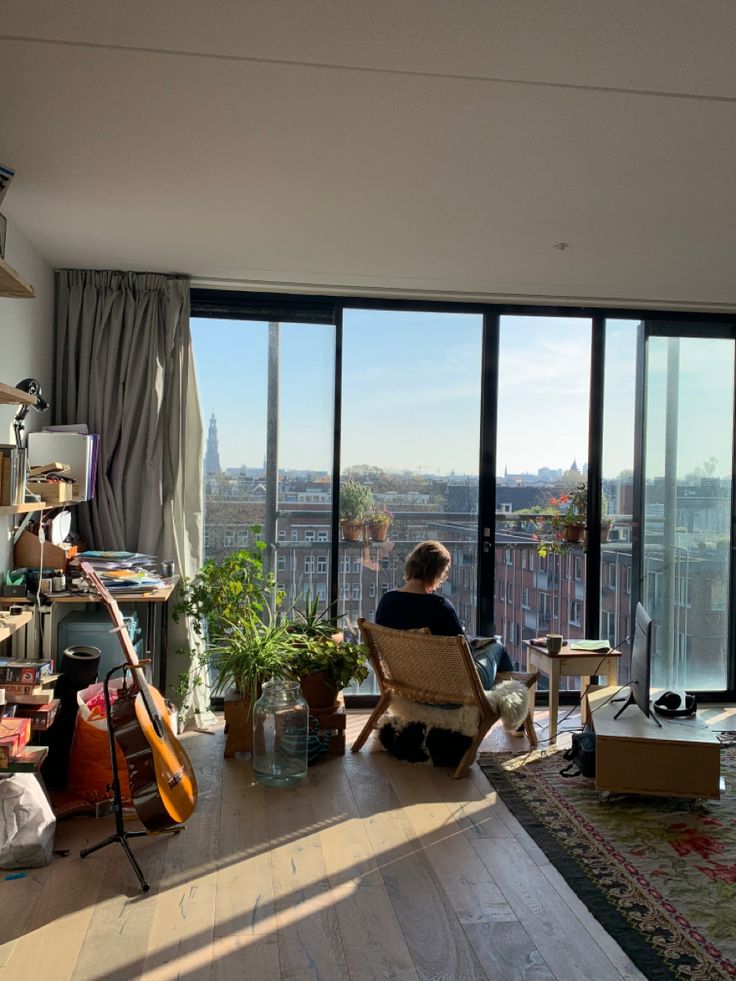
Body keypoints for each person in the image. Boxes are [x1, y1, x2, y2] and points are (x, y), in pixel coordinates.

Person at [375, 539, 514, 690]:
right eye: (444, 573)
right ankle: (512, 697)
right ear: (436, 573)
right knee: (497, 646)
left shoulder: (386, 600)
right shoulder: (440, 607)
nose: (444, 578)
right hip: (453, 689)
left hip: (406, 684)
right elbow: (467, 655)